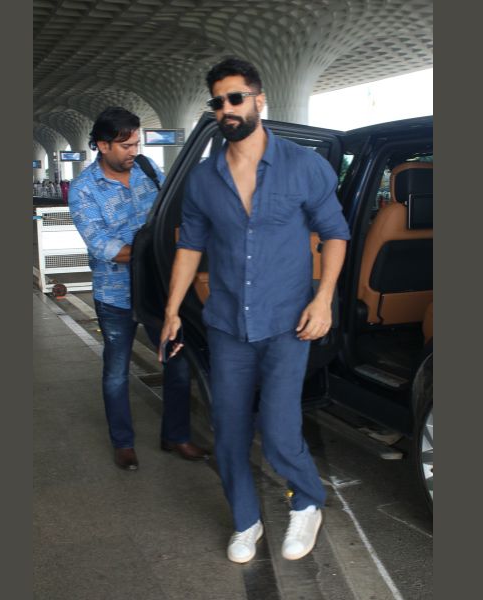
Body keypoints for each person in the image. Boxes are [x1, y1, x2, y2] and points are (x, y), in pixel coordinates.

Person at [160, 58, 350, 564]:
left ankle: (307, 502)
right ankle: (246, 521)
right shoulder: (203, 179)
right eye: (218, 101)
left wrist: (323, 299)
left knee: (281, 429)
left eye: (236, 97)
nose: (227, 108)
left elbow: (335, 234)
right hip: (227, 325)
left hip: (289, 322)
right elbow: (189, 247)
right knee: (228, 430)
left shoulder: (302, 165)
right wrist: (173, 310)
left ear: (259, 100)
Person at [69, 107, 210, 471]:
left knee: (178, 362)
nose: (134, 151)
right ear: (102, 145)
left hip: (159, 289)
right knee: (117, 371)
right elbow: (102, 245)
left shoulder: (147, 169)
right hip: (115, 294)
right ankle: (123, 443)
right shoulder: (84, 190)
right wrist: (157, 251)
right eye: (125, 145)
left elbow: (171, 209)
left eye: (136, 143)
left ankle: (176, 435)